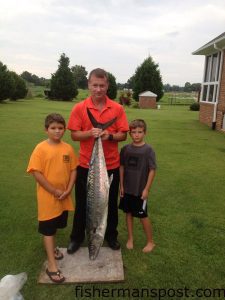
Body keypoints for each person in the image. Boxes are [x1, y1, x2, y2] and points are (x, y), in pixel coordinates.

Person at [67, 68, 129, 254]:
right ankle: (76, 238)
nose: (98, 89)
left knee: (109, 204)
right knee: (82, 204)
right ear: (89, 84)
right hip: (86, 166)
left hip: (111, 166)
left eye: (102, 85)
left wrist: (108, 136)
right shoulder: (79, 108)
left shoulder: (117, 109)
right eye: (95, 85)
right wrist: (90, 133)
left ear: (107, 85)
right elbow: (74, 135)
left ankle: (111, 236)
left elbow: (123, 135)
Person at [27, 113, 78, 283]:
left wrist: (68, 189)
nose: (57, 131)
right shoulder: (40, 148)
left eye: (60, 128)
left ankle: (54, 248)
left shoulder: (68, 148)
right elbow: (36, 172)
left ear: (64, 129)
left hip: (63, 197)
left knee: (56, 225)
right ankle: (52, 266)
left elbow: (73, 170)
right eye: (53, 128)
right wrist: (54, 190)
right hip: (48, 198)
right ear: (46, 129)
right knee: (48, 230)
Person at [119, 119, 156, 253]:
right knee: (128, 213)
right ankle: (130, 238)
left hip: (140, 191)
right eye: (133, 132)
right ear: (130, 133)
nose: (136, 135)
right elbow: (121, 167)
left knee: (142, 215)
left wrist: (146, 189)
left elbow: (152, 169)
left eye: (139, 132)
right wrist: (121, 186)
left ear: (144, 133)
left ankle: (150, 242)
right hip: (127, 189)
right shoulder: (125, 149)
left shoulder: (148, 150)